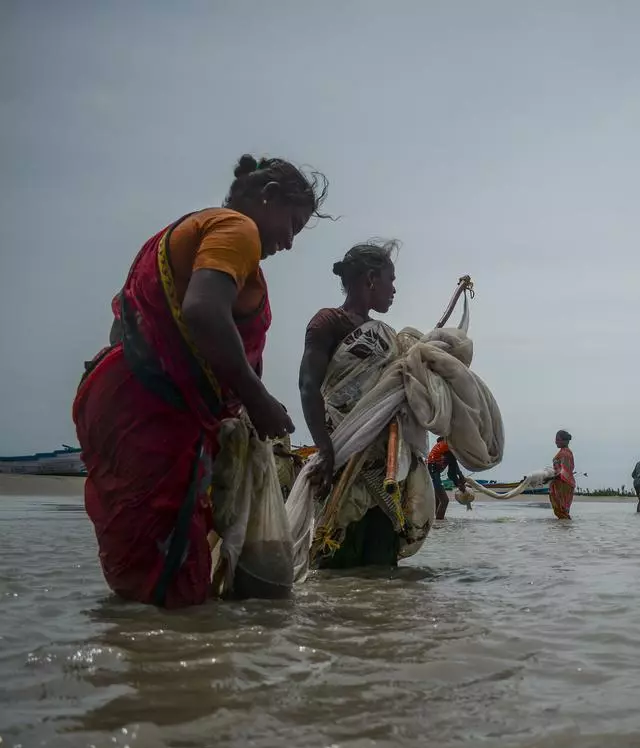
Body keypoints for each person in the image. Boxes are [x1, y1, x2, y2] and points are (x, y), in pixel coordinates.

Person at [72, 154, 328, 608]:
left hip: (123, 405)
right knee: (172, 579)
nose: (289, 242)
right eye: (292, 223)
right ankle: (172, 669)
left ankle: (135, 659)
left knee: (144, 564)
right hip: (152, 415)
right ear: (267, 197)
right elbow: (203, 311)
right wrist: (259, 399)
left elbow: (126, 324)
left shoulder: (181, 234)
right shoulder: (236, 229)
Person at [299, 240, 420, 569]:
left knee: (382, 570)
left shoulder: (389, 338)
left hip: (384, 467)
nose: (394, 289)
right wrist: (325, 449)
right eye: (390, 280)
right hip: (342, 457)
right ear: (370, 279)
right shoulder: (328, 322)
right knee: (337, 555)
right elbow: (308, 387)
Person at [428, 436, 466, 520]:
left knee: (438, 498)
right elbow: (452, 473)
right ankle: (440, 524)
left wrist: (459, 481)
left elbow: (451, 472)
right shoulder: (449, 449)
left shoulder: (443, 450)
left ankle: (436, 524)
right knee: (444, 501)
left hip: (431, 471)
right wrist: (460, 480)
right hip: (433, 471)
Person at [549, 430, 575, 519]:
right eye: (556, 439)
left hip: (563, 484)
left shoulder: (565, 453)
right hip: (565, 483)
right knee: (563, 510)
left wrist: (549, 477)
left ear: (565, 441)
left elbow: (563, 471)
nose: (556, 441)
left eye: (558, 439)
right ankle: (565, 529)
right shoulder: (566, 452)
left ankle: (565, 528)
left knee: (562, 510)